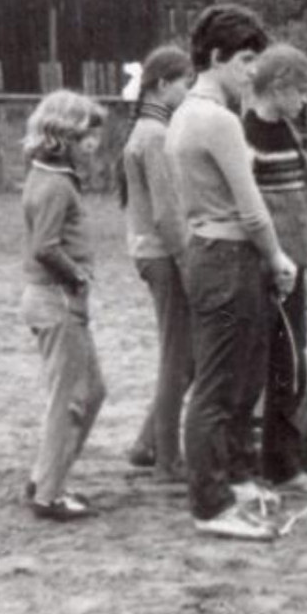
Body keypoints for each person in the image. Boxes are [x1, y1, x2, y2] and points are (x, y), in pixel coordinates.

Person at [165, 4, 295, 540]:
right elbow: (251, 207)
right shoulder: (216, 119)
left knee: (242, 381)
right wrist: (278, 257)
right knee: (219, 388)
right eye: (244, 60)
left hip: (209, 252)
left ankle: (236, 477)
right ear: (215, 58)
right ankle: (210, 503)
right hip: (229, 256)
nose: (252, 71)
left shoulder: (183, 115)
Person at [243, 43, 307, 496]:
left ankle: (277, 460)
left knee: (289, 364)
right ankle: (275, 465)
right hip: (268, 267)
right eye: (299, 91)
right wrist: (271, 258)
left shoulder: (286, 133)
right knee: (274, 364)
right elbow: (247, 206)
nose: (303, 101)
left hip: (294, 262)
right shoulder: (247, 136)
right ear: (277, 87)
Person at [19, 90, 109, 522]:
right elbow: (44, 247)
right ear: (65, 136)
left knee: (91, 391)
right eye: (88, 137)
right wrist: (76, 276)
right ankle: (49, 495)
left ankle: (45, 476)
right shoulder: (55, 184)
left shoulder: (47, 175)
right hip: (57, 300)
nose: (94, 146)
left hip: (53, 300)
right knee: (70, 397)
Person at [118, 45, 196, 482]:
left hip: (150, 253)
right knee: (177, 356)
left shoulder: (145, 132)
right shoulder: (156, 136)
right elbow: (167, 214)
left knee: (184, 357)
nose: (189, 90)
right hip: (164, 256)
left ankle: (148, 443)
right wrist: (188, 261)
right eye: (185, 82)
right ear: (163, 84)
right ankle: (168, 459)